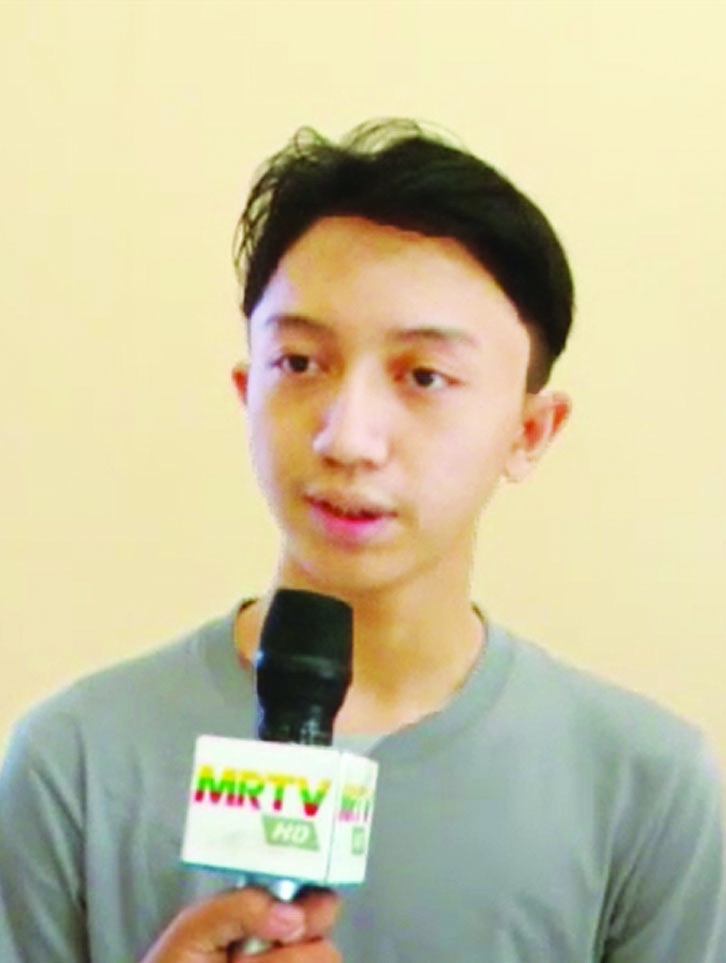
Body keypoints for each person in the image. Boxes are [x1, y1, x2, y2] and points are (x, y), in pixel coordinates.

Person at [0, 119, 724, 963]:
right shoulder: (74, 760)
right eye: (300, 364)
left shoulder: (644, 789)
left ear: (530, 430)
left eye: (424, 377)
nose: (348, 437)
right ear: (247, 390)